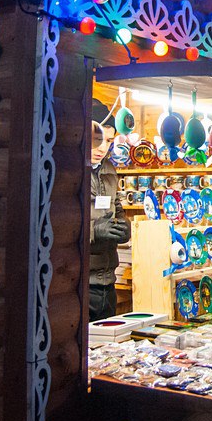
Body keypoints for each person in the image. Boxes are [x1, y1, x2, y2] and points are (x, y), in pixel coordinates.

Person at [89, 99, 131, 321]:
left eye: (109, 141)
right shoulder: (67, 170)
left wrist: (125, 227)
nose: (103, 148)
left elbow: (117, 209)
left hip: (107, 281)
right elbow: (53, 223)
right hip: (79, 284)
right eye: (98, 140)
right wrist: (93, 231)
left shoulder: (108, 169)